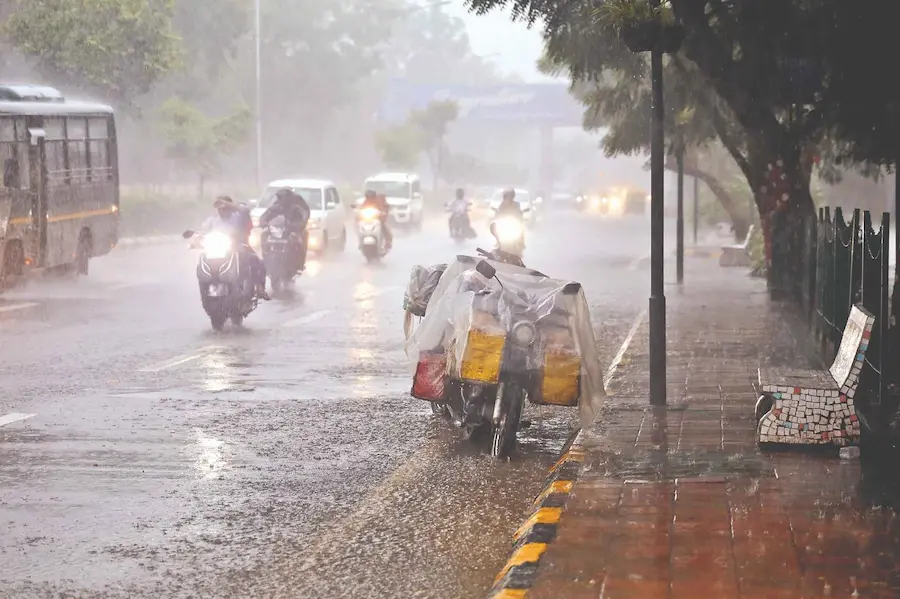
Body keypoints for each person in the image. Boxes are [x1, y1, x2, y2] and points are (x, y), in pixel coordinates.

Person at [202, 196, 269, 300]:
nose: (221, 211)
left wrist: (227, 203)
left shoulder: (238, 216)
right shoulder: (213, 220)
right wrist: (197, 238)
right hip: (219, 250)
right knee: (203, 259)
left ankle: (260, 288)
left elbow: (245, 210)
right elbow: (203, 230)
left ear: (231, 208)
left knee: (256, 261)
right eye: (219, 209)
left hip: (238, 246)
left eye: (224, 208)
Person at [259, 187, 311, 272]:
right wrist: (264, 223)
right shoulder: (275, 207)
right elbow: (265, 216)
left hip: (291, 231)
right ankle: (265, 257)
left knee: (301, 239)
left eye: (284, 198)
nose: (282, 201)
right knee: (264, 235)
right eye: (280, 198)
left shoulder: (296, 208)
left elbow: (304, 216)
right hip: (277, 232)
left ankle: (300, 263)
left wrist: (298, 225)